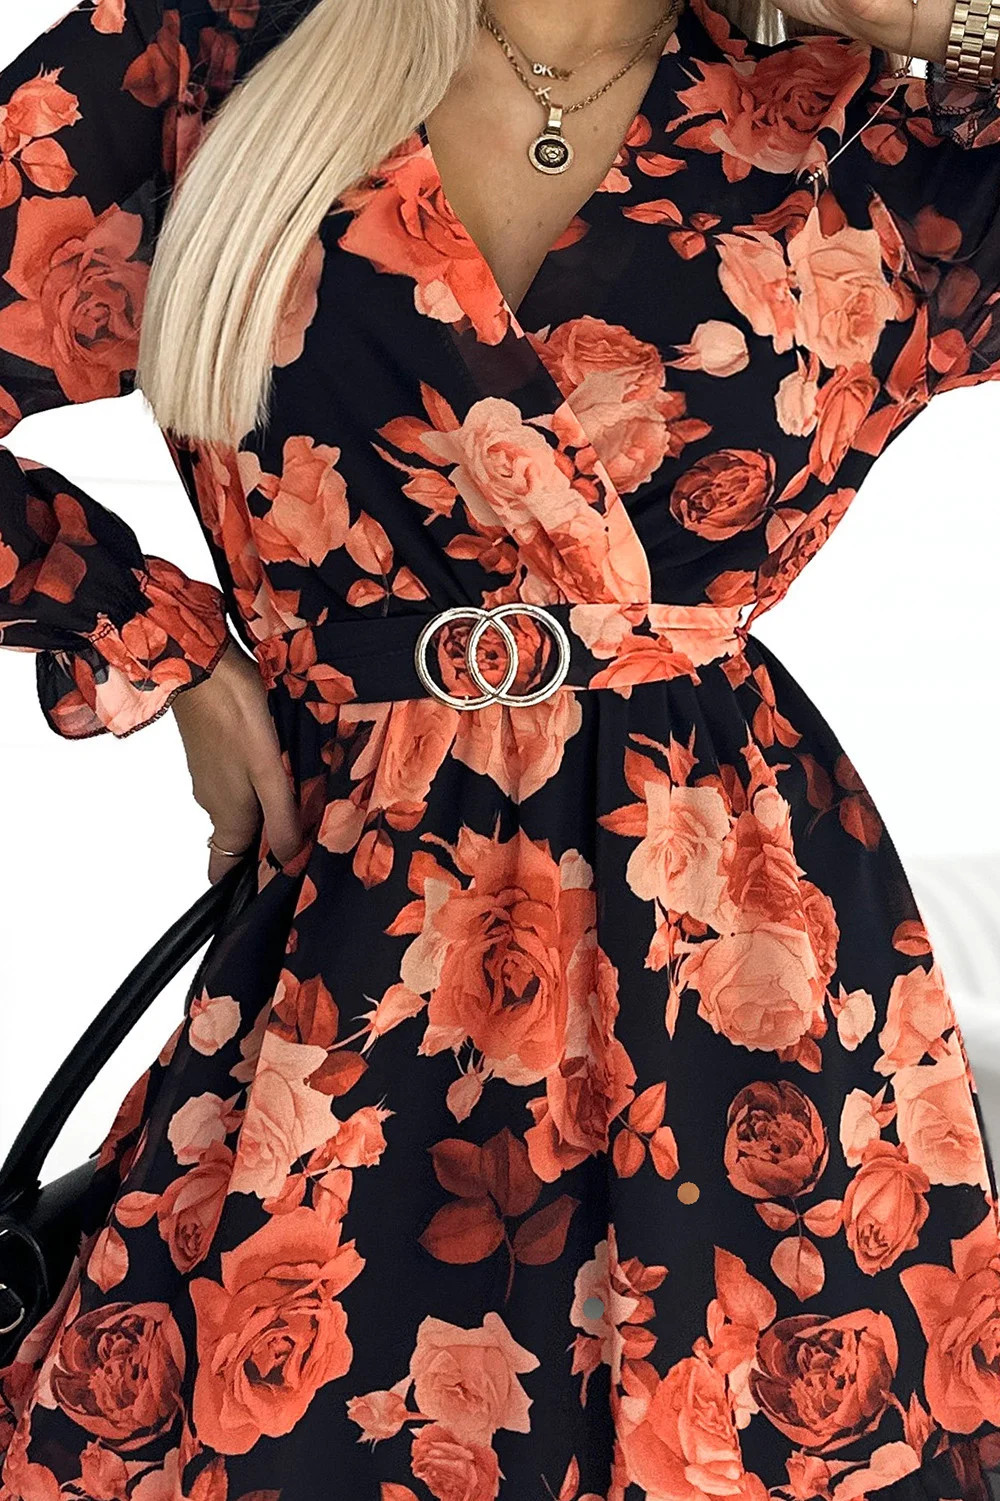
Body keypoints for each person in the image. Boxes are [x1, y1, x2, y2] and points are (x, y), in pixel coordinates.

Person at [1, 0, 999, 1495]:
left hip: (742, 993)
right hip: (348, 975)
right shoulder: (223, 51)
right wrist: (158, 636)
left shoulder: (869, 121)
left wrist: (944, 16)